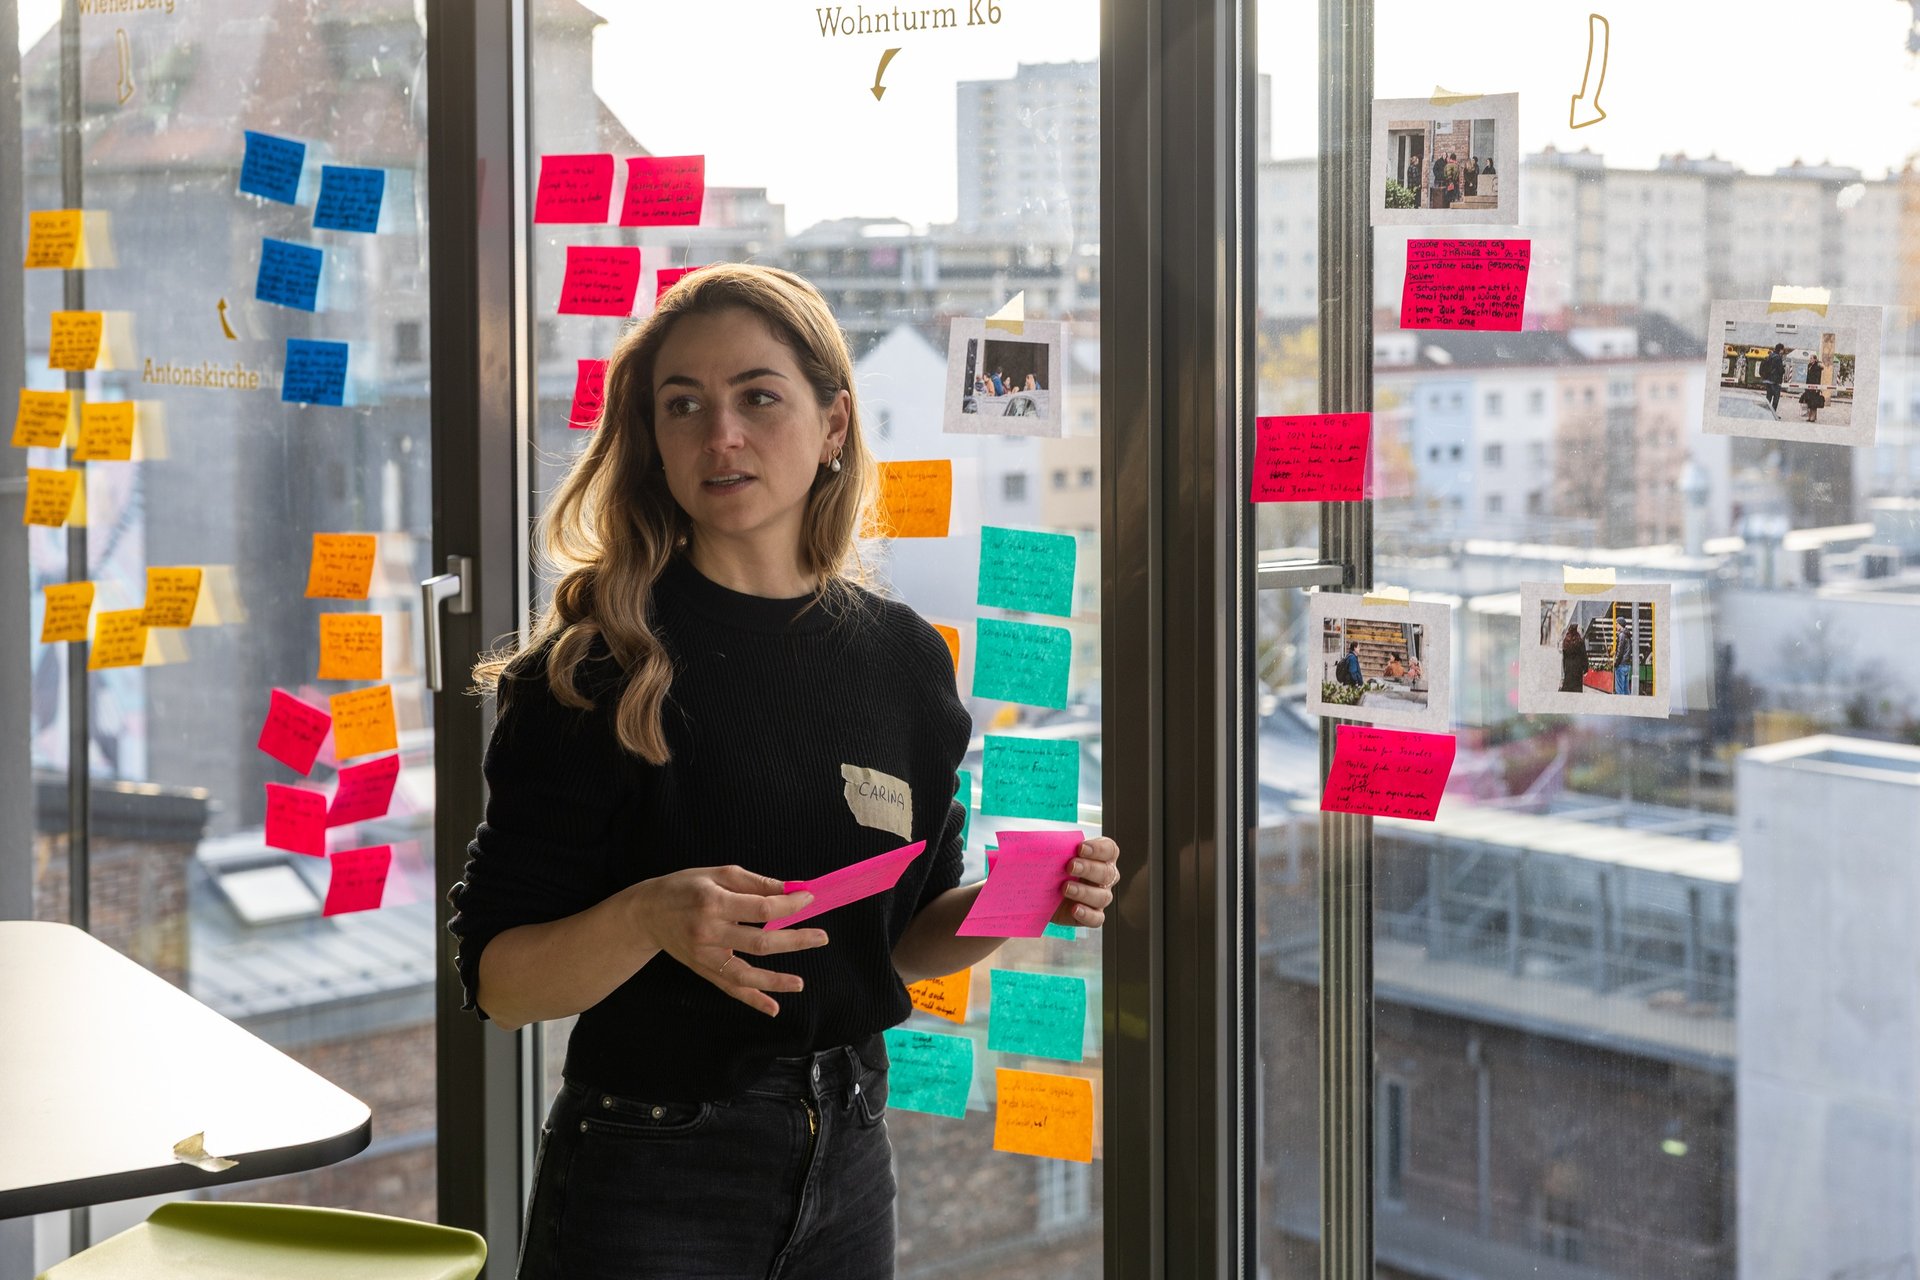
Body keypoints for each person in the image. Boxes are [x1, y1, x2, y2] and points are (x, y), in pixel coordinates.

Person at [448, 263, 1123, 1279]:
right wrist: (646, 916)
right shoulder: (597, 670)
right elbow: (501, 981)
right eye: (685, 406)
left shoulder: (903, 656)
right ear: (656, 442)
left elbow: (898, 941)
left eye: (759, 396)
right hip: (650, 1167)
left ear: (835, 423)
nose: (722, 434)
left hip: (849, 1151)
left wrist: (1024, 898)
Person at [1759, 343, 1787, 419]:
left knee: (1768, 397)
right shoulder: (1778, 358)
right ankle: (1773, 415)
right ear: (1780, 349)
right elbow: (1780, 370)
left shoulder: (1770, 355)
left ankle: (1766, 413)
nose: (1783, 351)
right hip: (1775, 381)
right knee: (1776, 398)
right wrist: (1783, 368)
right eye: (1782, 350)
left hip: (1768, 380)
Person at [1559, 623, 1588, 693]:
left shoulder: (1565, 641)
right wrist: (1585, 669)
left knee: (1567, 690)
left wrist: (1563, 672)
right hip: (1577, 670)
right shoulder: (1580, 642)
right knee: (1577, 690)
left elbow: (1563, 658)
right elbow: (1584, 656)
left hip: (1568, 669)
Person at [1801, 354, 1825, 422]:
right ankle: (1809, 416)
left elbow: (1818, 377)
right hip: (1809, 386)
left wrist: (1817, 387)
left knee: (1814, 403)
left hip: (1815, 386)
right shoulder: (1809, 365)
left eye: (1811, 358)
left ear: (1815, 359)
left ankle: (1813, 417)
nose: (1810, 359)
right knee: (1809, 402)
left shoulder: (1817, 366)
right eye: (1810, 358)